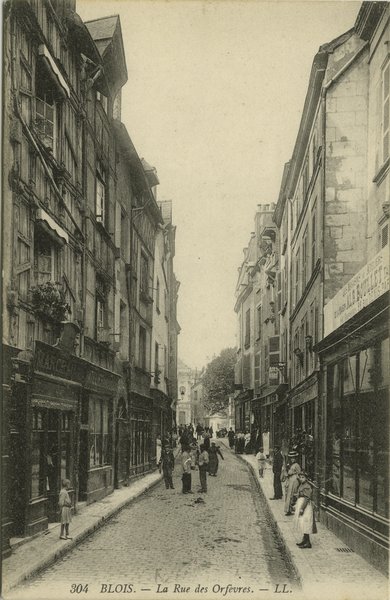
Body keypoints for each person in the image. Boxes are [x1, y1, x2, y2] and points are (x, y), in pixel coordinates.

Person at [294, 471, 317, 548]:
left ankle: (308, 542)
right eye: (300, 477)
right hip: (301, 504)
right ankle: (304, 540)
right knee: (302, 523)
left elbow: (307, 498)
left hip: (306, 506)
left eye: (303, 477)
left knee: (306, 523)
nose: (301, 479)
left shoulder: (307, 486)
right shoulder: (302, 485)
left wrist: (302, 509)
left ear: (306, 478)